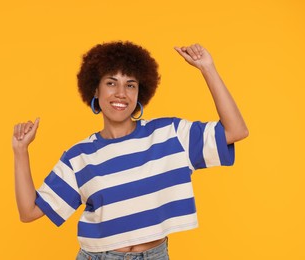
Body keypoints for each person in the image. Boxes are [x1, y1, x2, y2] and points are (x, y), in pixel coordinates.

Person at [12, 41, 248, 260]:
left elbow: (236, 130)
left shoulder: (170, 134)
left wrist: (207, 68)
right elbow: (29, 211)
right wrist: (20, 150)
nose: (121, 93)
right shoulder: (79, 156)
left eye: (130, 85)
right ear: (95, 90)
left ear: (139, 92)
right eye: (111, 83)